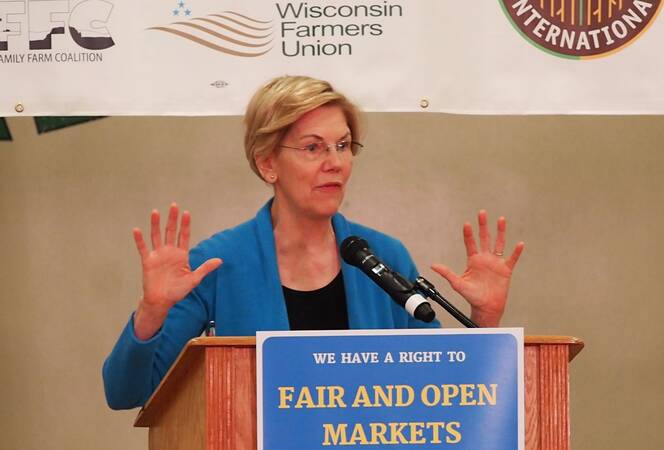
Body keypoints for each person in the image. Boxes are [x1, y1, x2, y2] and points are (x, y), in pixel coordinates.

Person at [102, 75, 524, 410]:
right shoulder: (218, 264)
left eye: (343, 146)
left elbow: (442, 396)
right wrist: (151, 312)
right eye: (313, 147)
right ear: (268, 163)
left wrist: (485, 320)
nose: (335, 163)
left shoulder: (383, 257)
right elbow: (126, 393)